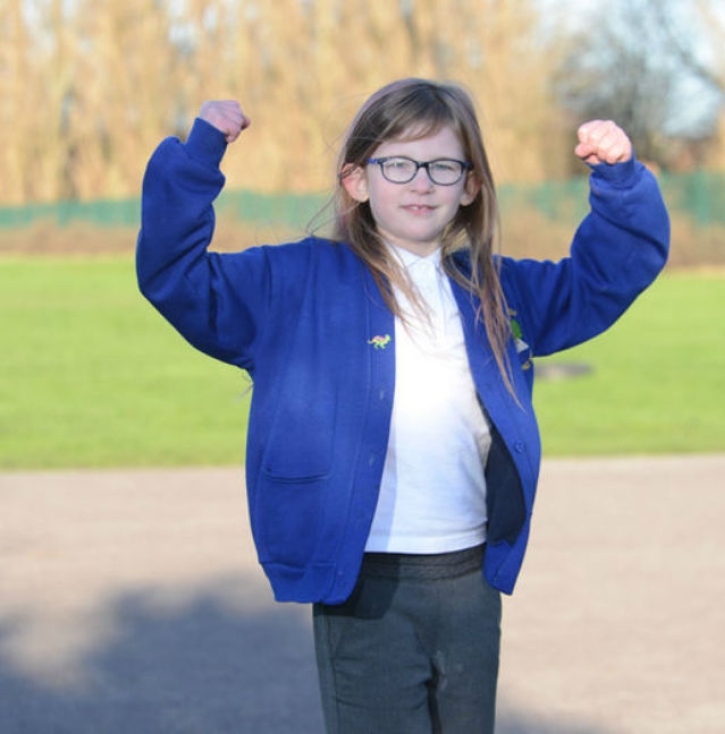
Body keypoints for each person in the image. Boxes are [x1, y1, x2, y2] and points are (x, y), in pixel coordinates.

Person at [136, 78, 669, 733]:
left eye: (443, 165)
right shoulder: (292, 286)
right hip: (365, 587)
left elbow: (606, 278)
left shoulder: (499, 291)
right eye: (397, 163)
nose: (421, 182)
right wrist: (196, 161)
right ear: (357, 180)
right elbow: (175, 277)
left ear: (470, 185)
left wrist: (619, 182)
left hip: (470, 579)